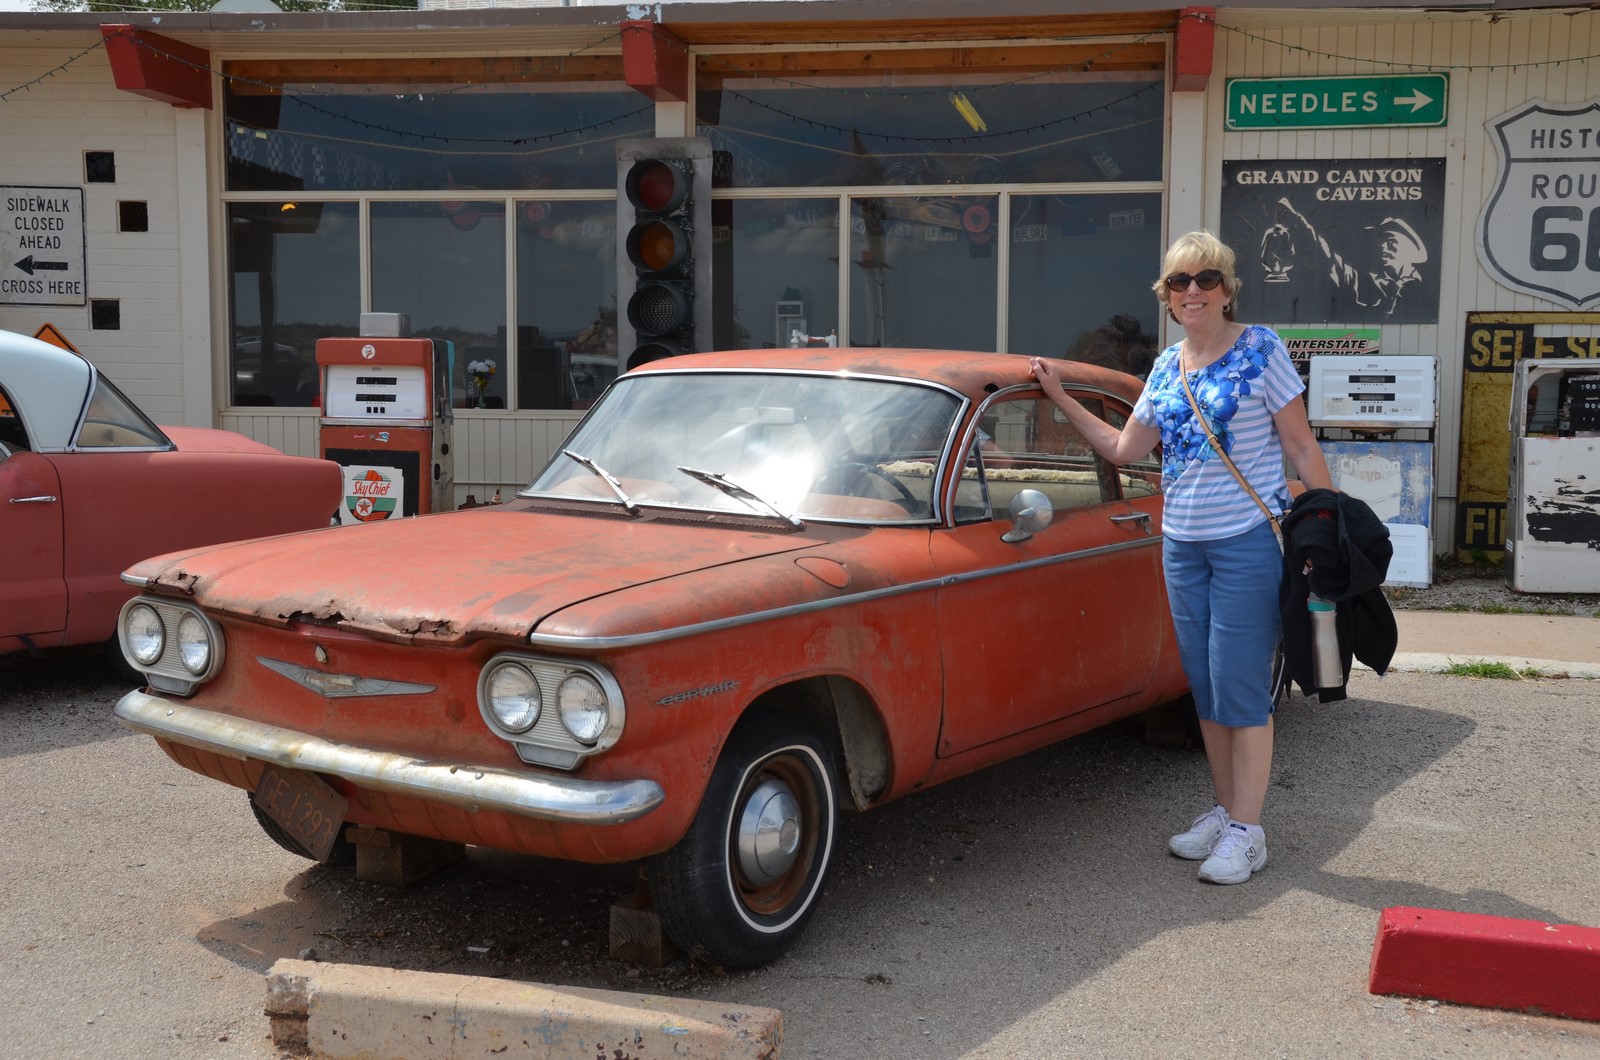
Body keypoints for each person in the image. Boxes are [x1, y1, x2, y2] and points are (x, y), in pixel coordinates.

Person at [1030, 229, 1332, 885]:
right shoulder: (1168, 366)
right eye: (1179, 282)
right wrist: (1059, 395)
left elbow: (1302, 448)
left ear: (1227, 289)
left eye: (1206, 279)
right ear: (1166, 296)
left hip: (1248, 539)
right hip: (1182, 545)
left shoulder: (1261, 349)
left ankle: (1251, 833)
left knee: (1245, 687)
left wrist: (1324, 528)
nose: (1192, 291)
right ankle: (1228, 812)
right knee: (1207, 684)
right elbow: (1124, 449)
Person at [1273, 199, 1428, 317]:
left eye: (1392, 242)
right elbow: (1325, 258)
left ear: (1410, 249)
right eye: (1381, 242)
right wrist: (1296, 223)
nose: (1383, 247)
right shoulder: (1361, 279)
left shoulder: (1422, 284)